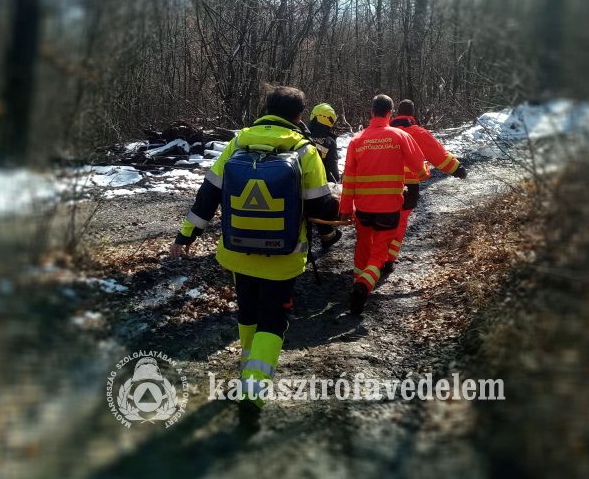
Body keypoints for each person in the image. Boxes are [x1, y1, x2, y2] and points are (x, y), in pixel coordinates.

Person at [167, 87, 338, 414]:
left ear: (267, 108)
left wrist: (186, 236)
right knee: (273, 319)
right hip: (283, 257)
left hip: (237, 252)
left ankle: (248, 367)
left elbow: (208, 194)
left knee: (248, 311)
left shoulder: (238, 143)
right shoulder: (304, 150)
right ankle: (254, 389)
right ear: (300, 116)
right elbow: (322, 206)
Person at [340, 94, 427, 314]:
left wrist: (344, 209)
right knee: (379, 253)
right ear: (390, 114)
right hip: (389, 208)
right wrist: (424, 173)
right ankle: (363, 286)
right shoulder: (399, 136)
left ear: (371, 112)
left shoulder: (357, 140)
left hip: (364, 207)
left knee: (362, 244)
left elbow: (348, 179)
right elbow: (419, 168)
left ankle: (358, 282)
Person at [386, 99, 467, 273]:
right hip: (409, 188)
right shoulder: (419, 133)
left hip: (383, 186)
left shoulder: (385, 132)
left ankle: (375, 257)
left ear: (396, 114)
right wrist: (458, 170)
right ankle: (389, 259)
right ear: (412, 115)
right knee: (400, 223)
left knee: (380, 222)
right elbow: (440, 156)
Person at [305, 103, 343, 249]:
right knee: (325, 200)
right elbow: (332, 168)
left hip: (296, 182)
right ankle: (327, 235)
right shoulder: (329, 142)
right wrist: (337, 183)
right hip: (319, 185)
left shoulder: (300, 134)